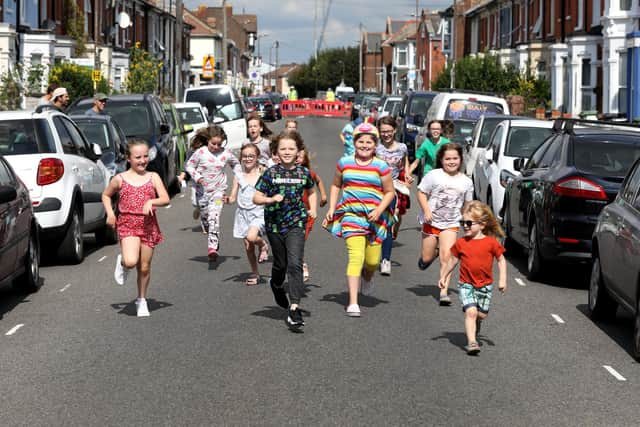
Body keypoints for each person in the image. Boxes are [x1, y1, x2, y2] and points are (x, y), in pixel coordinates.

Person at [323, 123, 396, 317]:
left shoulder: (380, 165)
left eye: (369, 142)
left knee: (372, 261)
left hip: (375, 219)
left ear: (375, 145)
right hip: (351, 216)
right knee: (356, 257)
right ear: (354, 143)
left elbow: (390, 192)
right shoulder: (344, 162)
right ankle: (353, 303)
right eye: (361, 141)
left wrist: (380, 210)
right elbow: (335, 185)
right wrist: (332, 208)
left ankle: (368, 276)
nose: (365, 145)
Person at [254, 130, 317, 331]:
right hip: (274, 224)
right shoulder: (270, 173)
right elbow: (256, 197)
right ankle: (276, 284)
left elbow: (311, 191)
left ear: (298, 151)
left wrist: (313, 208)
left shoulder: (303, 173)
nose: (287, 152)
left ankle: (295, 308)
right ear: (276, 152)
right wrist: (270, 199)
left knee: (295, 263)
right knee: (280, 264)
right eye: (283, 149)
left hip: (296, 223)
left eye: (291, 148)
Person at [101, 138, 170, 317]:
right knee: (132, 261)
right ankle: (123, 262)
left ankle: (141, 300)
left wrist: (151, 201)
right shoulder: (120, 179)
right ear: (128, 158)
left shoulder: (153, 177)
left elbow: (165, 198)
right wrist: (110, 214)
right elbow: (106, 195)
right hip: (128, 224)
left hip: (148, 226)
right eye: (138, 157)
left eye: (145, 156)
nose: (143, 160)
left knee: (144, 267)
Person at [438, 200, 507, 355]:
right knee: (470, 312)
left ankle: (478, 321)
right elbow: (452, 261)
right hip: (466, 284)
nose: (465, 226)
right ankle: (472, 342)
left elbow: (501, 260)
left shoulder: (491, 243)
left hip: (485, 285)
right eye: (463, 222)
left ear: (481, 225)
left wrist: (502, 280)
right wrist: (443, 276)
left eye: (469, 222)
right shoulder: (461, 243)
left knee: (481, 314)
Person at [416, 143, 473, 305]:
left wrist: (467, 222)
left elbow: (467, 204)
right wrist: (426, 210)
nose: (451, 161)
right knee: (427, 257)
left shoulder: (466, 181)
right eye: (448, 159)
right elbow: (421, 192)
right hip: (431, 221)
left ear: (461, 160)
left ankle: (443, 292)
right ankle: (429, 257)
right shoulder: (434, 175)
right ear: (441, 160)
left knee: (447, 257)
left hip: (451, 223)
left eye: (455, 158)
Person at [185, 125, 243, 261]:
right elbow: (189, 165)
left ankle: (212, 247)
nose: (216, 147)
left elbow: (236, 164)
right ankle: (210, 231)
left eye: (219, 144)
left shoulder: (226, 154)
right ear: (207, 141)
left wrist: (240, 176)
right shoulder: (200, 152)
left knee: (214, 217)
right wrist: (197, 177)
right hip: (202, 193)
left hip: (218, 192)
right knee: (206, 218)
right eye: (213, 143)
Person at [375, 116, 413, 276]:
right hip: (374, 189)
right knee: (371, 223)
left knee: (388, 224)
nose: (386, 135)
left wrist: (407, 176)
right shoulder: (375, 148)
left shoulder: (402, 147)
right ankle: (368, 255)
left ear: (395, 130)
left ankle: (385, 259)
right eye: (383, 132)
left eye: (389, 131)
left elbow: (405, 163)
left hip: (393, 188)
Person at [228, 143, 269, 286]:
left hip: (258, 213)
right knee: (248, 246)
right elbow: (233, 197)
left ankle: (263, 244)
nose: (247, 158)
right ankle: (255, 273)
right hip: (242, 214)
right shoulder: (238, 176)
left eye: (251, 156)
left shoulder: (263, 174)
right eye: (245, 156)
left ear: (257, 157)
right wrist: (227, 200)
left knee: (251, 237)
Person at [297, 145, 328, 281]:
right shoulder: (284, 172)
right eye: (296, 156)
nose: (297, 159)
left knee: (298, 241)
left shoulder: (308, 173)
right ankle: (297, 265)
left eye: (300, 156)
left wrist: (323, 196)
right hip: (290, 213)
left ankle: (301, 265)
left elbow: (319, 181)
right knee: (292, 243)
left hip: (307, 213)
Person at [178, 129, 208, 222]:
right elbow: (187, 162)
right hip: (195, 181)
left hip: (208, 180)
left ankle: (207, 222)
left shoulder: (210, 149)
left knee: (208, 202)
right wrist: (182, 174)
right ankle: (198, 208)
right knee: (195, 202)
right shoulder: (192, 149)